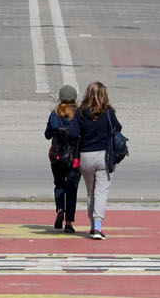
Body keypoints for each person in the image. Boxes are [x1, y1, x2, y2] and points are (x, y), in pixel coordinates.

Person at [75, 81, 122, 240]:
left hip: (86, 156)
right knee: (101, 192)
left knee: (90, 193)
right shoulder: (108, 112)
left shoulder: (81, 113)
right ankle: (97, 226)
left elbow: (73, 134)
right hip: (104, 156)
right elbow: (118, 128)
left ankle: (91, 226)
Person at [44, 84, 81, 233]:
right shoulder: (78, 114)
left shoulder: (54, 114)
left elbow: (47, 135)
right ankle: (69, 222)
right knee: (72, 189)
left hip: (57, 157)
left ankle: (60, 209)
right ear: (74, 98)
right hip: (73, 157)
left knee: (59, 185)